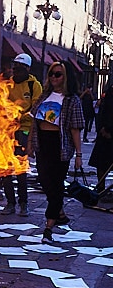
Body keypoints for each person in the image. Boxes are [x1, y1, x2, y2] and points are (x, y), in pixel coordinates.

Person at [28, 61, 84, 242]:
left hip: (60, 145)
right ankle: (59, 212)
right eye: (51, 73)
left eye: (58, 74)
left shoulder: (72, 100)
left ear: (66, 77)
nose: (53, 77)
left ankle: (48, 228)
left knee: (56, 185)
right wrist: (30, 144)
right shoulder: (44, 96)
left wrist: (79, 155)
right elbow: (34, 122)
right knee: (45, 181)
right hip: (42, 142)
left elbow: (75, 128)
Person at [0, 53, 42, 217]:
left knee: (20, 168)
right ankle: (10, 203)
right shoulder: (8, 85)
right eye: (15, 66)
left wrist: (20, 117)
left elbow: (36, 107)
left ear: (27, 69)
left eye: (20, 67)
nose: (16, 70)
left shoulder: (34, 85)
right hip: (7, 130)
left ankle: (23, 204)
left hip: (24, 130)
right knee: (6, 168)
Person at [89, 84, 113, 192]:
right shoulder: (110, 91)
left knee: (103, 163)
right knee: (102, 164)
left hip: (107, 131)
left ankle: (101, 188)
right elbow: (106, 110)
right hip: (105, 132)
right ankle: (101, 188)